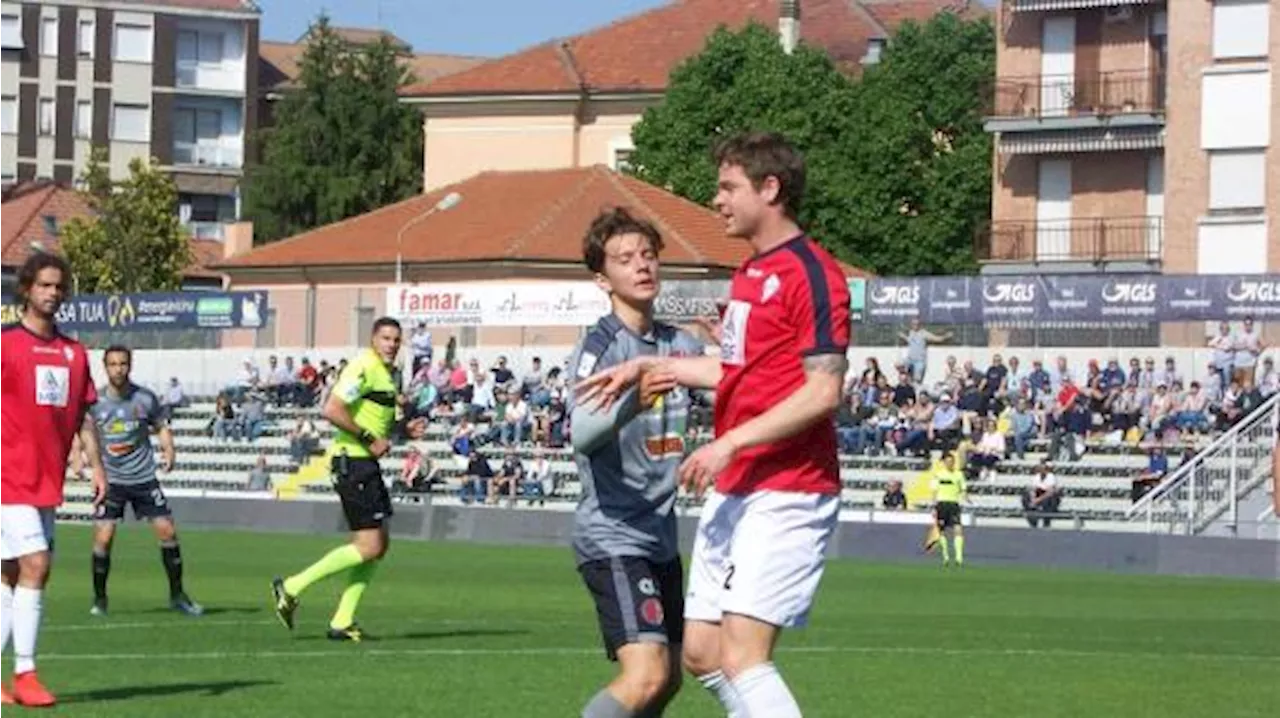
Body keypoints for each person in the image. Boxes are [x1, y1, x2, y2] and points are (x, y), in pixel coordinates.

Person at [579, 133, 850, 717]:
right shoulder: (751, 274)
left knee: (744, 658)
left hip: (788, 488)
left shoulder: (813, 273)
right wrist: (653, 365)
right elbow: (733, 370)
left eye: (729, 187)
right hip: (740, 485)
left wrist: (729, 441)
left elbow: (824, 390)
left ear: (769, 188)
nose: (717, 199)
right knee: (700, 652)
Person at [570, 207, 703, 718]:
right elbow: (581, 434)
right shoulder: (600, 346)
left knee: (667, 680)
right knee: (645, 674)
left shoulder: (679, 345)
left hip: (660, 536)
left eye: (648, 254)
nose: (642, 266)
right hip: (612, 534)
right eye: (626, 259)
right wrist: (633, 400)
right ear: (603, 279)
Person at [271, 318, 427, 641]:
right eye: (385, 338)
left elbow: (372, 419)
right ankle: (291, 587)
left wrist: (401, 430)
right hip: (352, 463)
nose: (392, 344)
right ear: (373, 339)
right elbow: (332, 409)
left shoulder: (386, 374)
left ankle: (342, 620)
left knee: (379, 546)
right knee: (370, 544)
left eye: (396, 339)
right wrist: (370, 437)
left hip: (364, 464)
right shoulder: (364, 366)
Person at [0, 253, 106, 706]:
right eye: (44, 285)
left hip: (47, 481)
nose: (52, 294)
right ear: (26, 289)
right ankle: (26, 673)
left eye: (59, 287)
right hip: (7, 477)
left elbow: (82, 414)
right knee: (36, 566)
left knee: (8, 574)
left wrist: (96, 464)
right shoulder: (4, 345)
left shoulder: (74, 354)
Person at [86, 345, 202, 617]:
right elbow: (86, 432)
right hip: (112, 480)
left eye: (123, 363)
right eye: (113, 364)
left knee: (167, 532)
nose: (118, 369)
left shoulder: (145, 398)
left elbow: (161, 426)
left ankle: (178, 595)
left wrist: (169, 450)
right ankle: (100, 599)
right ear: (105, 367)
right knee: (103, 538)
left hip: (143, 477)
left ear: (130, 365)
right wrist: (83, 460)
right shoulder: (96, 402)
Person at [930, 451, 967, 567]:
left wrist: (966, 496)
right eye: (948, 462)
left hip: (954, 504)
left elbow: (963, 489)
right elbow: (934, 492)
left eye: (952, 462)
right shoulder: (938, 475)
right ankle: (946, 556)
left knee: (958, 529)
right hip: (942, 504)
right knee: (941, 531)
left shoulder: (959, 474)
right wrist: (934, 507)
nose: (950, 464)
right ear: (944, 463)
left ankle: (959, 558)